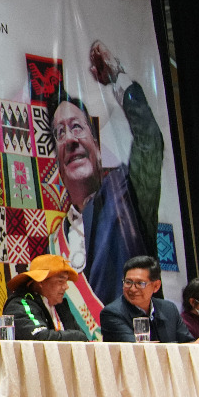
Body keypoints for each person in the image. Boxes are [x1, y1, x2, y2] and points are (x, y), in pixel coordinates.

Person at [50, 41, 163, 306]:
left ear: (97, 149)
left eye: (77, 127)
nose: (70, 139)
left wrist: (118, 78)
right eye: (60, 133)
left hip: (136, 332)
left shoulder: (127, 193)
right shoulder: (55, 243)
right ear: (58, 163)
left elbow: (150, 140)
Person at [100, 256, 199, 343]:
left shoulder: (168, 309)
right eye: (128, 282)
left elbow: (187, 342)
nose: (132, 289)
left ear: (156, 286)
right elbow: (137, 350)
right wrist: (191, 346)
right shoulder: (112, 313)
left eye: (140, 283)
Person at [2, 254, 91, 341]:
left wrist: (79, 337)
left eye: (66, 281)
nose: (66, 287)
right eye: (60, 281)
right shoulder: (19, 304)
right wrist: (77, 336)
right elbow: (39, 337)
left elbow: (83, 341)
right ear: (41, 281)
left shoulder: (60, 307)